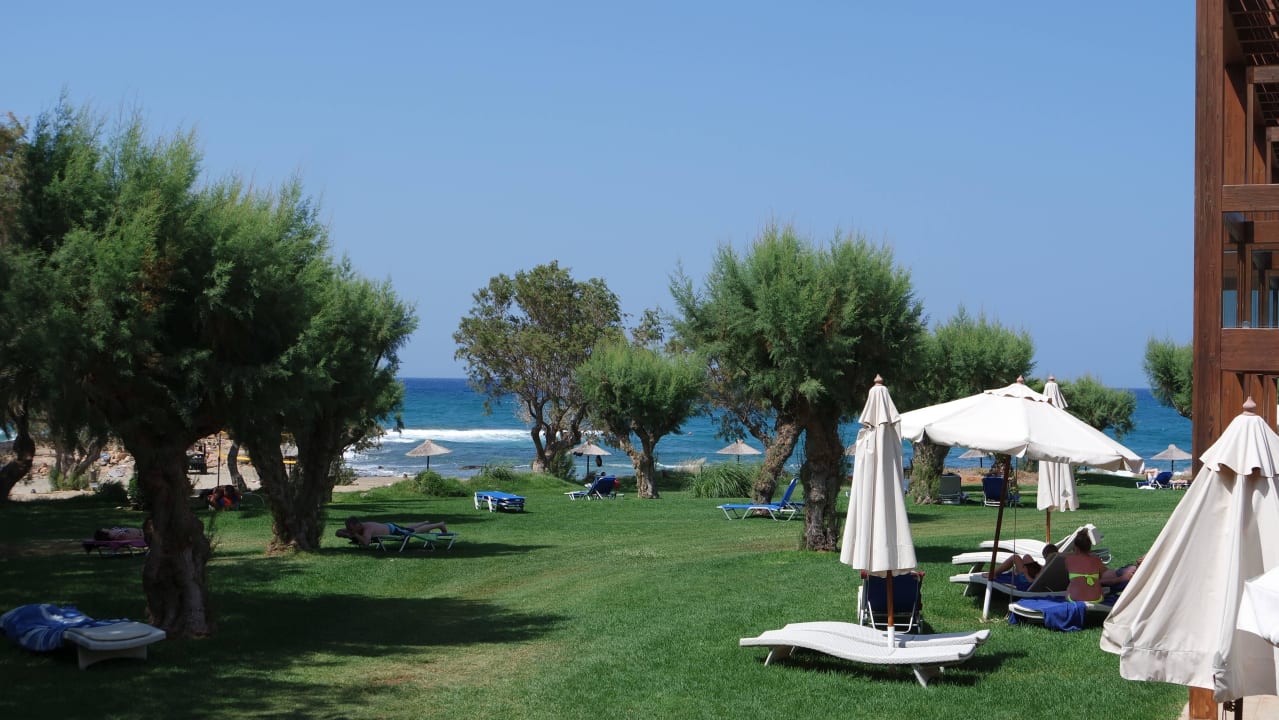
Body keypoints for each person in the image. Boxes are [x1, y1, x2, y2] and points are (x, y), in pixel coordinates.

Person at [336, 516, 449, 547]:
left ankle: (440, 524)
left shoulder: (367, 528)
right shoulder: (357, 528)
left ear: (358, 525)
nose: (350, 530)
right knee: (407, 529)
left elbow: (366, 543)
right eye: (349, 528)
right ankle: (424, 522)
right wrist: (345, 533)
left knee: (414, 531)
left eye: (351, 528)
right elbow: (337, 532)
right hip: (389, 527)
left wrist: (353, 535)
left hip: (393, 530)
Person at [990, 543, 1059, 590]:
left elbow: (1033, 582)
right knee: (1027, 557)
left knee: (1015, 557)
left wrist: (1025, 573)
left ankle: (993, 573)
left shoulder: (1046, 570)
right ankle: (1017, 571)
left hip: (1026, 580)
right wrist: (1040, 567)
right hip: (1037, 573)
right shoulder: (1056, 564)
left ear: (1045, 556)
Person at [1064, 534, 1108, 602]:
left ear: (1076, 547)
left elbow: (1068, 571)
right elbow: (1101, 576)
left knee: (1071, 583)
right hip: (1097, 599)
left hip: (1074, 599)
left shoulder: (1069, 560)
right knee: (1096, 582)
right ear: (1090, 547)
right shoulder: (1097, 560)